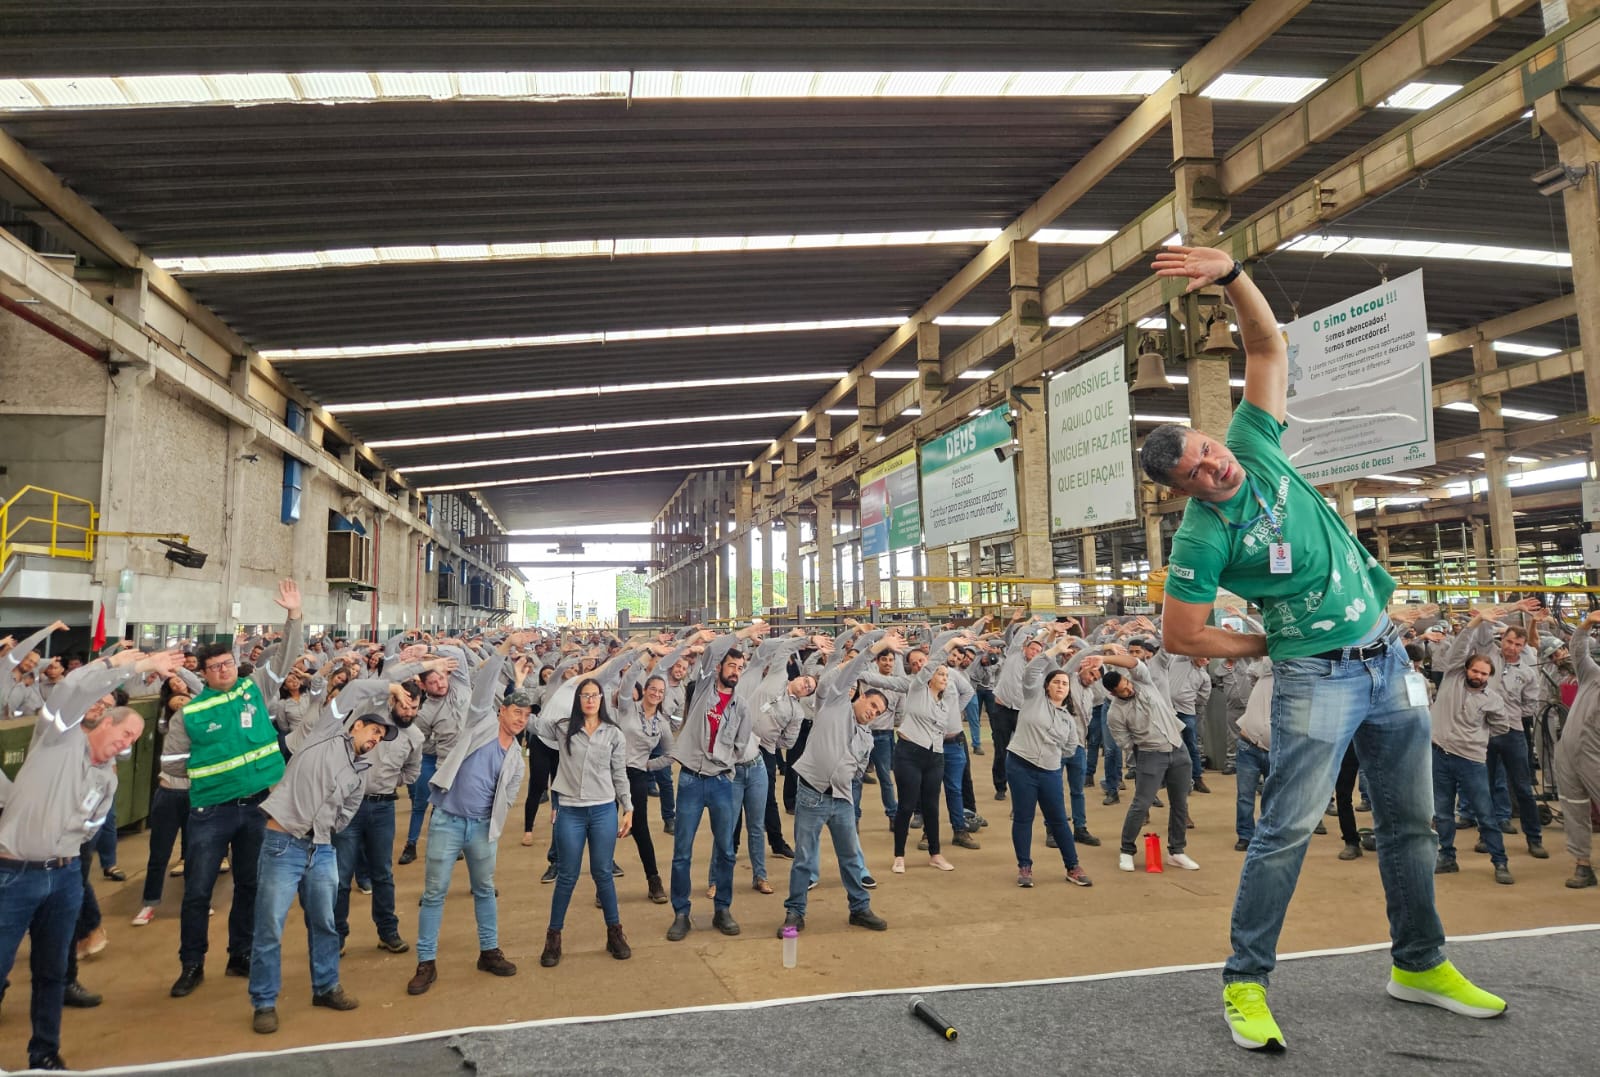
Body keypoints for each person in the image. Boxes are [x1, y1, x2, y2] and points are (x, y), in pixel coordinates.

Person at [1144, 244, 1505, 1052]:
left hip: (1388, 662)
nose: (1214, 462)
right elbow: (1180, 633)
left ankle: (1418, 961)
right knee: (1287, 829)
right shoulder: (1202, 537)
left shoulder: (1255, 440)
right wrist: (1259, 641)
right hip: (1317, 677)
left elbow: (1268, 348)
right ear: (1184, 491)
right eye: (1198, 470)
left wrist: (1234, 276)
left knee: (1410, 822)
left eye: (1208, 447)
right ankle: (1245, 983)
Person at [0, 646, 177, 1072]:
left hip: (62, 878)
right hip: (12, 876)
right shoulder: (56, 740)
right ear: (100, 723)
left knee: (52, 971)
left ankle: (44, 1052)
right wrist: (129, 665)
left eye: (134, 740)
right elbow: (74, 687)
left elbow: (89, 829)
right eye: (125, 733)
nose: (126, 742)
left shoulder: (106, 781)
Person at [170, 579, 303, 999]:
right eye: (217, 667)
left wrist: (294, 616)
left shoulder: (256, 689)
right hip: (211, 811)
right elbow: (172, 766)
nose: (225, 670)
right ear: (203, 674)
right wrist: (206, 781)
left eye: (229, 663)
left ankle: (239, 954)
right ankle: (191, 963)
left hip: (257, 807)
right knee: (198, 891)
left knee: (250, 884)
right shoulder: (189, 713)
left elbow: (286, 656)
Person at [248, 681, 405, 1034]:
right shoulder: (323, 737)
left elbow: (345, 814)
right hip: (282, 843)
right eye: (374, 730)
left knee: (325, 923)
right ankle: (264, 1001)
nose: (376, 738)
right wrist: (391, 682)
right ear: (356, 725)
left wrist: (324, 831)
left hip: (320, 849)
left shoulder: (360, 772)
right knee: (270, 926)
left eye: (382, 736)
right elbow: (354, 691)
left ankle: (326, 986)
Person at [406, 633, 533, 996]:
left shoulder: (516, 761)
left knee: (484, 890)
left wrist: (492, 826)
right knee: (434, 893)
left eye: (525, 715)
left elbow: (507, 799)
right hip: (447, 820)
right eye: (516, 712)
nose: (521, 719)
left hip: (481, 831)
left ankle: (489, 952)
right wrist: (505, 649)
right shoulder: (479, 725)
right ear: (501, 711)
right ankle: (426, 962)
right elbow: (485, 683)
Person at [775, 634, 898, 938]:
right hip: (811, 795)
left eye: (879, 712)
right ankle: (795, 911)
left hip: (842, 801)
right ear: (860, 698)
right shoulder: (835, 703)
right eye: (872, 705)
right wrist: (876, 647)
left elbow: (857, 770)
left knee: (850, 858)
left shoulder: (867, 738)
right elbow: (852, 671)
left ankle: (859, 908)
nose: (873, 712)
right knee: (804, 858)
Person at [666, 624, 765, 942]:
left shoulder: (742, 707)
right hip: (692, 782)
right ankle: (681, 913)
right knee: (682, 852)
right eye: (731, 665)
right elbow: (712, 651)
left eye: (740, 667)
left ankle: (723, 908)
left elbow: (739, 745)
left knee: (726, 850)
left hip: (722, 782)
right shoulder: (703, 690)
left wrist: (722, 763)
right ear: (720, 668)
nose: (735, 671)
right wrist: (744, 633)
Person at [531, 677, 634, 967]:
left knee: (603, 873)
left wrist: (628, 807)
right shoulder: (563, 729)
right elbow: (537, 723)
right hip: (570, 811)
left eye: (595, 695)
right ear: (577, 700)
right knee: (567, 875)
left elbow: (619, 774)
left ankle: (615, 933)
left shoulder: (613, 733)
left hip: (602, 810)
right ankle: (553, 937)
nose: (590, 700)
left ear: (602, 699)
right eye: (585, 695)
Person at [1430, 607, 1532, 884]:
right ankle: (1447, 856)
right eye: (1475, 670)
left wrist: (1478, 736)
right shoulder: (1452, 679)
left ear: (1489, 676)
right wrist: (1476, 622)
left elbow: (1501, 726)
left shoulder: (1492, 699)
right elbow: (1462, 645)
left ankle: (1500, 862)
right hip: (1439, 755)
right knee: (1442, 812)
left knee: (1485, 813)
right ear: (1466, 669)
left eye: (1485, 673)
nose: (1479, 676)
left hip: (1471, 760)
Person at [333, 676, 426, 956]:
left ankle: (388, 932)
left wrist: (386, 782)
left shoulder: (415, 737)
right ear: (392, 701)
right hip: (349, 806)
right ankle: (336, 936)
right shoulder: (369, 719)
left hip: (383, 807)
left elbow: (412, 772)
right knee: (340, 876)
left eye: (414, 708)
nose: (408, 713)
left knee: (382, 873)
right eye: (403, 707)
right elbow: (368, 685)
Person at [1099, 648, 1197, 874]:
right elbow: (1124, 742)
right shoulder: (1115, 713)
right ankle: (1126, 850)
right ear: (1114, 694)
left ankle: (1177, 851)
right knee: (1141, 804)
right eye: (1123, 690)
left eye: (1128, 683)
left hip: (1178, 749)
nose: (1129, 688)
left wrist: (1103, 658)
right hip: (1150, 755)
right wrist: (1146, 748)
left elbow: (1133, 662)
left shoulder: (1143, 683)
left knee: (1180, 803)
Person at [1007, 632, 1093, 888]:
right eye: (1056, 682)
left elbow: (1069, 748)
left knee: (1058, 819)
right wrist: (1054, 650)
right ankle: (1025, 867)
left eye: (1064, 684)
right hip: (1021, 764)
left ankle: (1072, 866)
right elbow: (1032, 671)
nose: (1060, 686)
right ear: (1047, 686)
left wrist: (1050, 756)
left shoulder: (1067, 718)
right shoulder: (1033, 698)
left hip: (1049, 771)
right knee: (1023, 817)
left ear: (1068, 691)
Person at [1553, 610, 1600, 889]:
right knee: (1573, 809)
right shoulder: (1592, 676)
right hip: (1567, 753)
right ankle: (1583, 865)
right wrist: (1586, 624)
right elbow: (1578, 650)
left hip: (1595, 757)